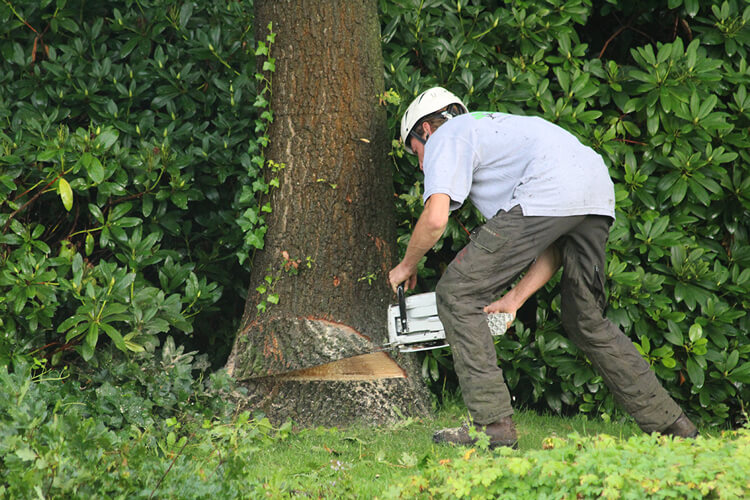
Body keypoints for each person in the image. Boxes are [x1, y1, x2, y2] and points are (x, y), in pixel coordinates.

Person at [388, 87, 698, 449]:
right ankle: (673, 427)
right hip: (596, 194)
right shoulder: (498, 131)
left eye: (416, 152)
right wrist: (515, 298)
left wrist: (407, 265)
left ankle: (492, 426)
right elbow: (553, 243)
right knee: (586, 319)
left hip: (551, 194)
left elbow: (436, 217)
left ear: (426, 128)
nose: (422, 165)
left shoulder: (448, 135)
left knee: (458, 292)